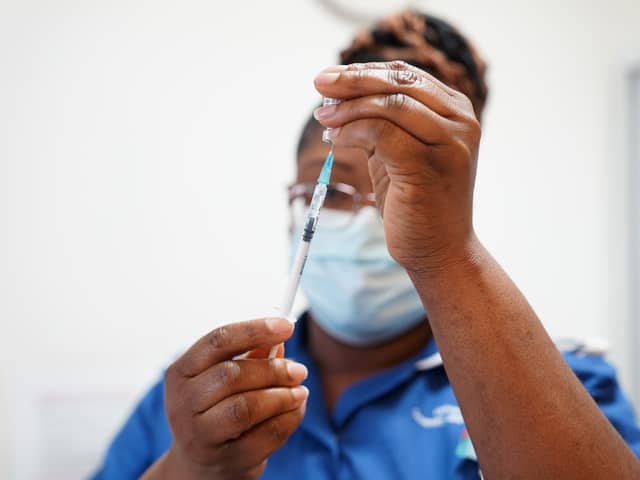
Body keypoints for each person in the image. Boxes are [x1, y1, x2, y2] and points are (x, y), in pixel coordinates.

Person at [92, 10, 640, 479]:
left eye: (392, 192)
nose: (357, 219)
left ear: (450, 203)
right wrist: (192, 468)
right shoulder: (206, 397)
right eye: (327, 194)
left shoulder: (565, 384)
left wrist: (445, 253)